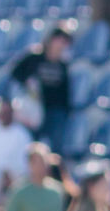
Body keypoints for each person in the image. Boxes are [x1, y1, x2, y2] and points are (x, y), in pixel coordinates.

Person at [10, 25, 73, 153]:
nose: (61, 45)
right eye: (59, 40)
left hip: (54, 111)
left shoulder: (62, 64)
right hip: (34, 109)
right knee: (31, 145)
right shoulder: (35, 57)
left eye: (64, 42)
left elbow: (65, 91)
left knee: (55, 148)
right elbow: (15, 74)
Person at [5, 144, 66, 211]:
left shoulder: (57, 190)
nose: (41, 165)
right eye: (37, 162)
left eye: (44, 161)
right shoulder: (19, 190)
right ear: (29, 164)